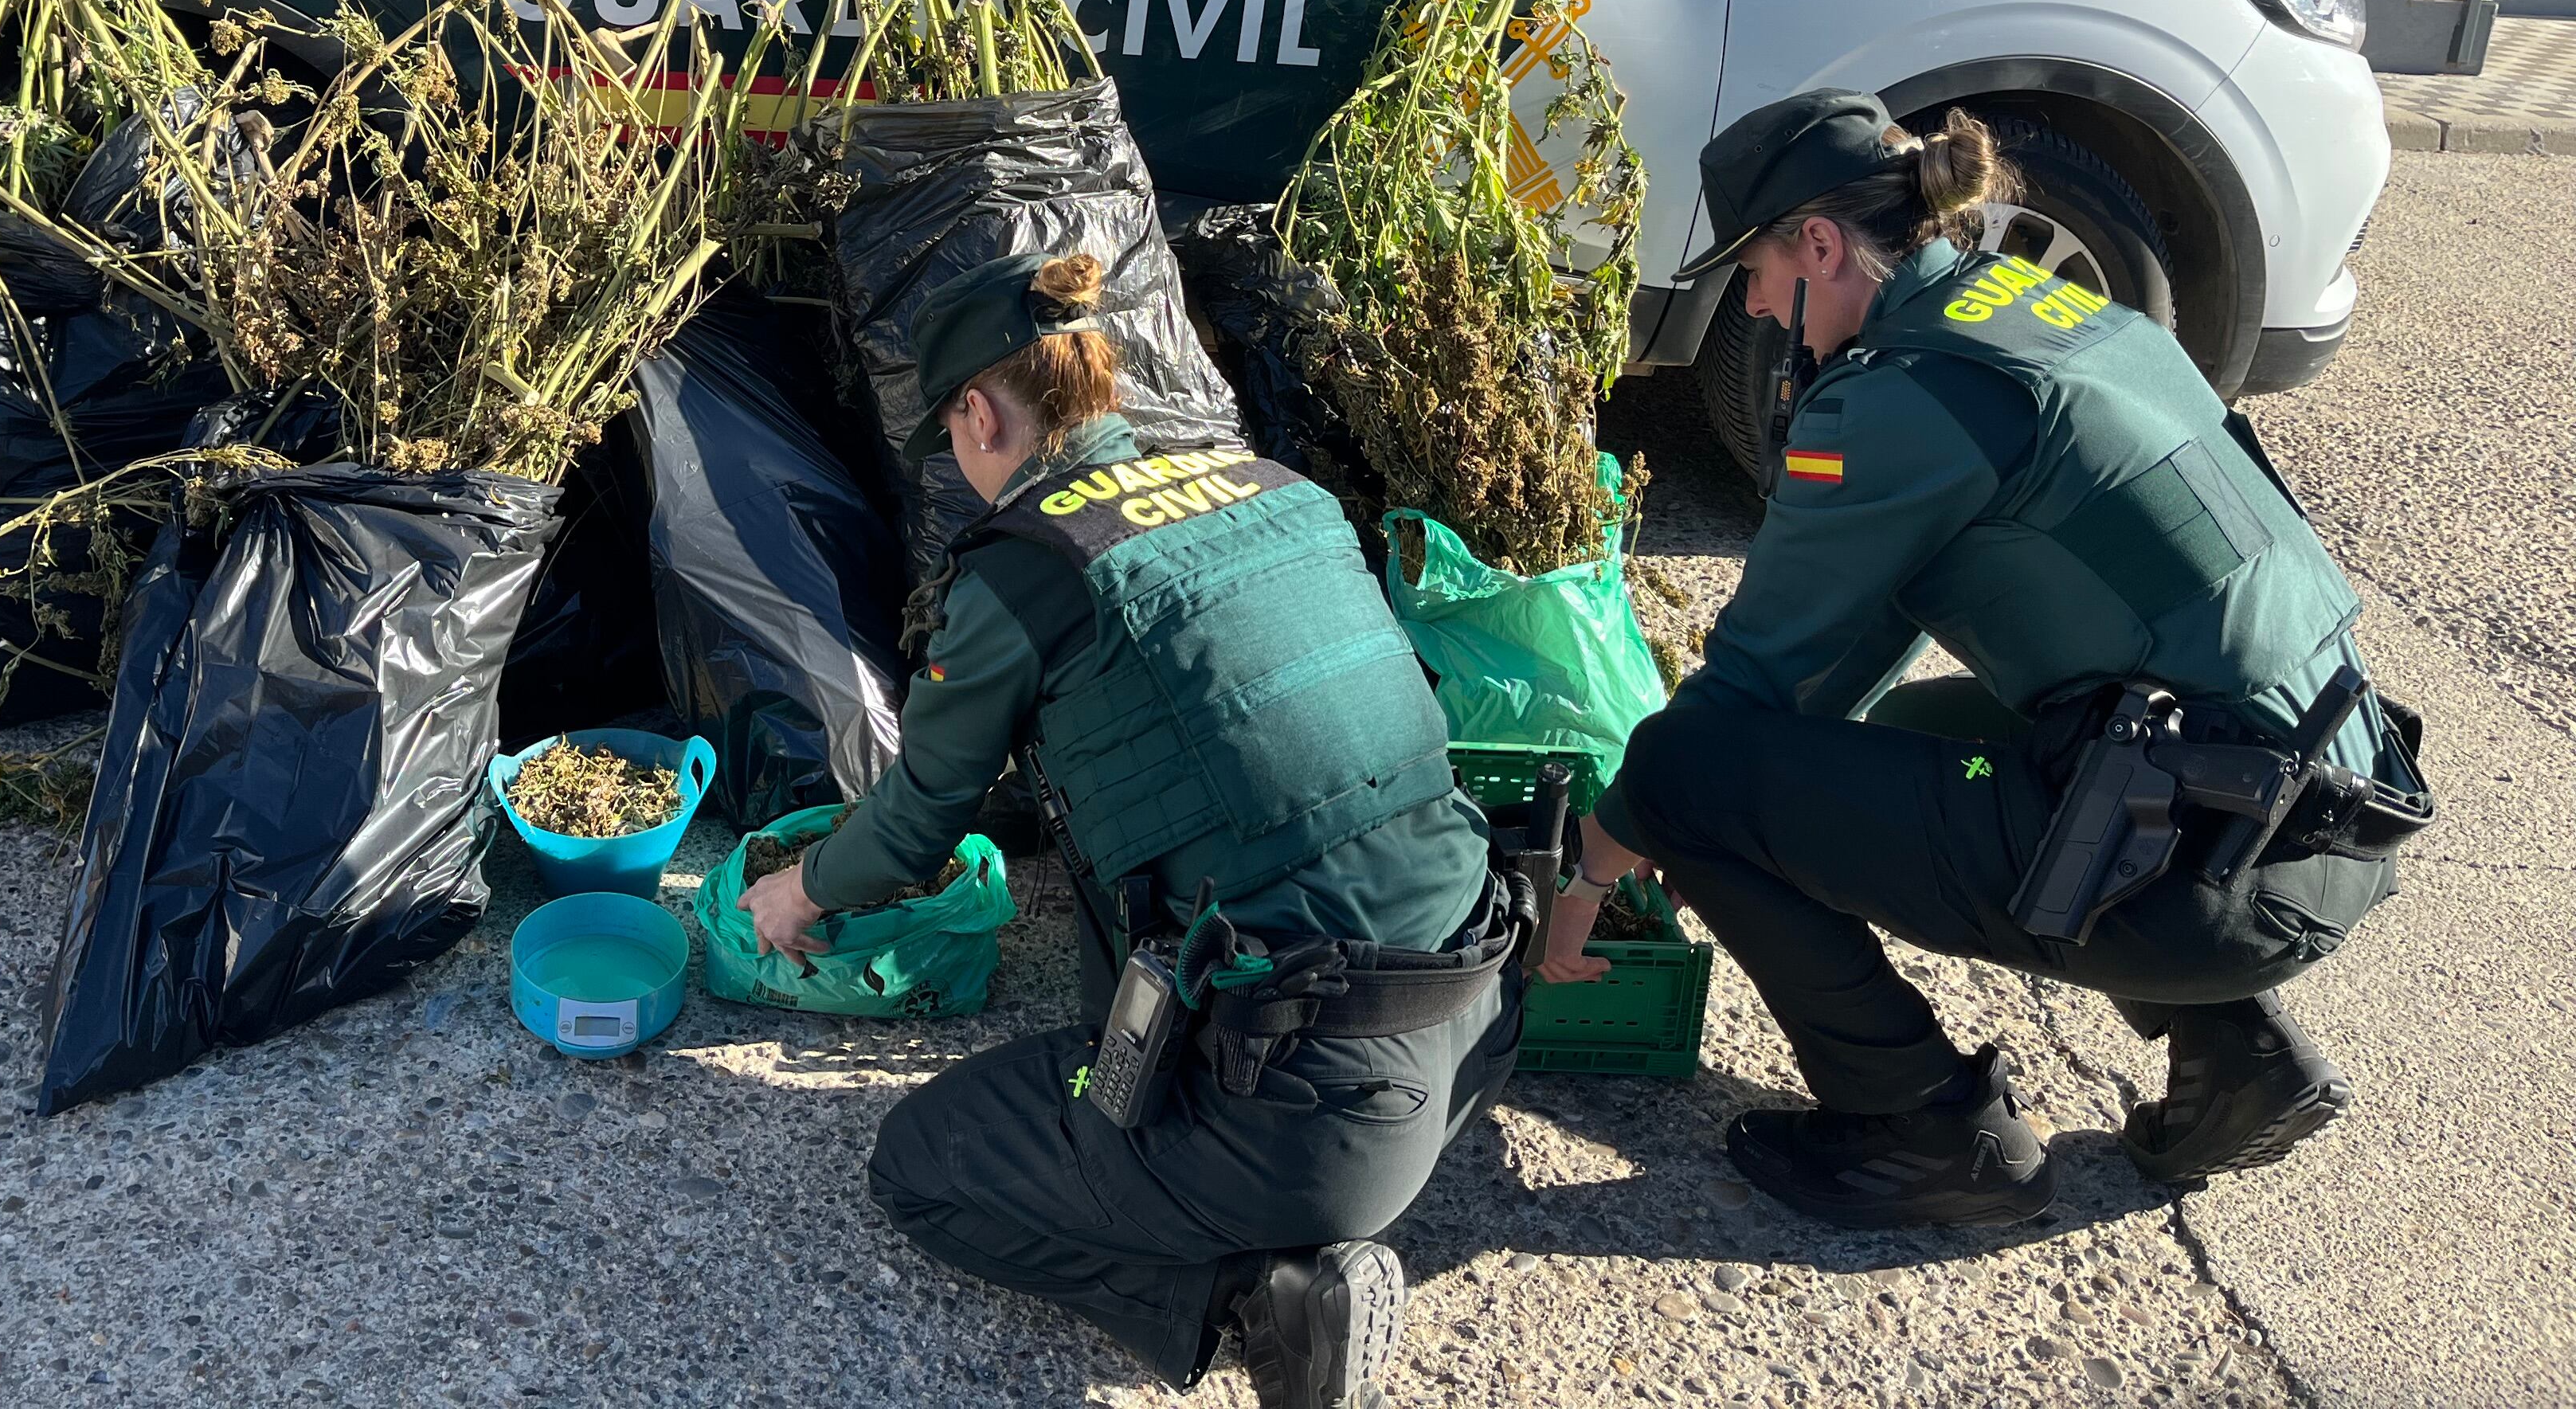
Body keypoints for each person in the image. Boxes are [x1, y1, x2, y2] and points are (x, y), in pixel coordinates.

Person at [1537, 91, 2431, 1228]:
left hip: (2214, 889)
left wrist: (1599, 867)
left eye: (1753, 273)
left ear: (1820, 245)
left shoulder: (1906, 397)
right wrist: (1775, 776)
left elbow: (1737, 703)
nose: (1754, 305)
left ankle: (1926, 1129)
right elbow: (1860, 631)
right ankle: (2239, 1056)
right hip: (2320, 816)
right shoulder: (2042, 310)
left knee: (1690, 776)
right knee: (1915, 736)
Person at [738, 248, 1521, 1409]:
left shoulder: (1033, 571)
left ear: (977, 411)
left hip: (1306, 1115)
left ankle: (1269, 1297)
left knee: (921, 1172)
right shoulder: (1273, 489)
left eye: (951, 442)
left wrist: (798, 892)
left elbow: (916, 822)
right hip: (1477, 1021)